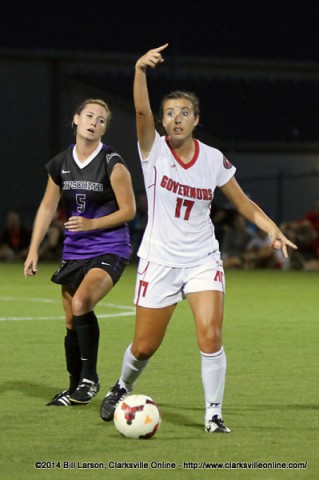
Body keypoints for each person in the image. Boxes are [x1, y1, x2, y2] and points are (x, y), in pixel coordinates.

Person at [99, 45, 297, 433]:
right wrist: (139, 70)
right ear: (162, 120)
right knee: (144, 346)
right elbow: (140, 112)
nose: (175, 119)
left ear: (196, 120)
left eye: (183, 113)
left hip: (203, 259)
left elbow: (241, 202)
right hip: (159, 260)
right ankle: (123, 385)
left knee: (210, 334)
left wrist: (271, 227)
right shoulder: (152, 150)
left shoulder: (212, 159)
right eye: (169, 113)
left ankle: (213, 414)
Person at [23, 98, 136, 406]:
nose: (94, 122)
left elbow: (129, 210)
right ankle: (75, 387)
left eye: (101, 120)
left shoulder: (113, 162)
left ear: (104, 129)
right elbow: (48, 206)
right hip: (75, 249)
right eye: (89, 116)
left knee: (82, 302)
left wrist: (92, 223)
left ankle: (90, 379)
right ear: (76, 119)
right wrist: (33, 249)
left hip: (110, 247)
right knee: (71, 320)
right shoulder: (60, 163)